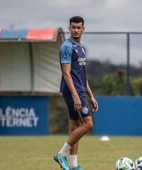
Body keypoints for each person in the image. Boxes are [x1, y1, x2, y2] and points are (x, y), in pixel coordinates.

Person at [54, 16, 98, 170]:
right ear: (69, 28)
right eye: (73, 27)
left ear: (83, 29)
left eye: (79, 27)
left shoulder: (82, 48)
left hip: (79, 90)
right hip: (72, 91)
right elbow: (66, 74)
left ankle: (73, 165)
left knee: (76, 127)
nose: (76, 30)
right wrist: (75, 96)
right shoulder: (66, 47)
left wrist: (91, 95)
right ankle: (61, 154)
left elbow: (82, 76)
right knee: (88, 124)